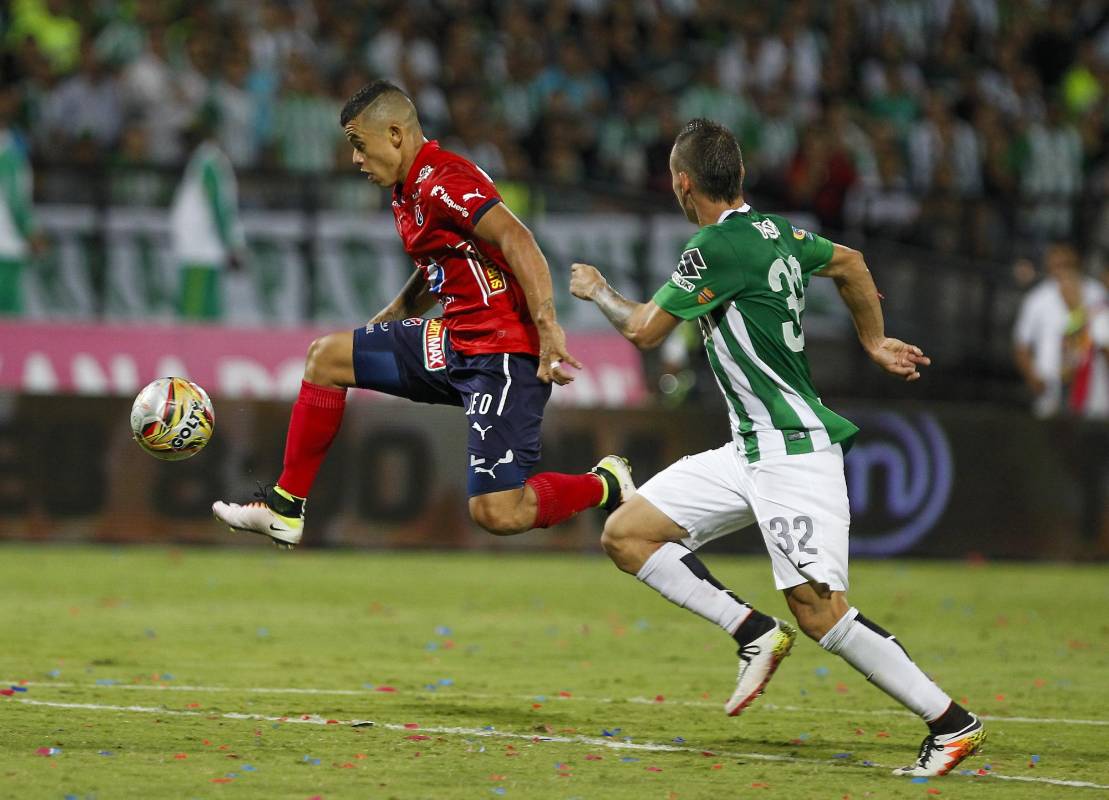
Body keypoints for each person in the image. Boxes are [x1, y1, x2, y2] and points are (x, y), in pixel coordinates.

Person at [568, 118, 984, 778]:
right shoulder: (775, 232)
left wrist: (598, 292)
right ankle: (752, 631)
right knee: (627, 533)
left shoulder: (714, 246)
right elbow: (849, 262)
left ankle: (950, 722)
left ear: (683, 184)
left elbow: (645, 330)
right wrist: (873, 341)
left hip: (792, 452)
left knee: (818, 611)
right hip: (748, 450)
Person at [213, 80, 632, 547]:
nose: (355, 159)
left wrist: (548, 326)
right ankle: (285, 508)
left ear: (395, 134)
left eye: (359, 144)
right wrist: (398, 310)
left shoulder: (443, 180)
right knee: (326, 358)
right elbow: (445, 257)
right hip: (455, 340)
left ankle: (606, 484)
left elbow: (517, 239)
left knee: (497, 512)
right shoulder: (407, 189)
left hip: (502, 353)